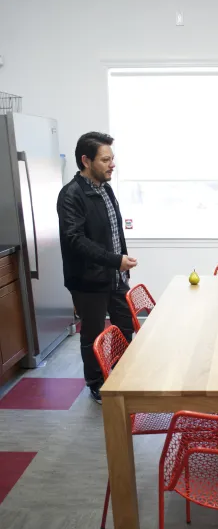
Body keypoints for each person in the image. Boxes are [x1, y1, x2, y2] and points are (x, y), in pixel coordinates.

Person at [57, 132, 138, 404]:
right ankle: (96, 383)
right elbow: (75, 240)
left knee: (125, 326)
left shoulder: (105, 187)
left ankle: (121, 375)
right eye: (105, 159)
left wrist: (121, 262)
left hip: (114, 274)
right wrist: (115, 260)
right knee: (92, 335)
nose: (111, 164)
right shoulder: (71, 194)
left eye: (112, 158)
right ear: (86, 160)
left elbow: (114, 229)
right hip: (87, 280)